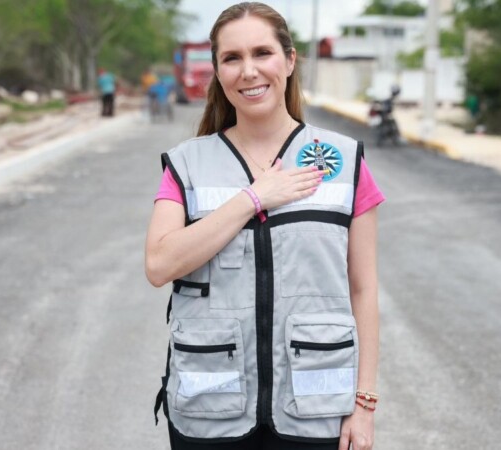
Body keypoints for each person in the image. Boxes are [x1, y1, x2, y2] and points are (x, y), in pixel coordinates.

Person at [145, 3, 383, 450]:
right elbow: (159, 264)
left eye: (263, 53)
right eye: (232, 58)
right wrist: (253, 198)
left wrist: (364, 404)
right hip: (209, 410)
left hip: (316, 412)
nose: (249, 71)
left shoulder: (344, 162)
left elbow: (363, 289)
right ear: (217, 71)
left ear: (290, 61)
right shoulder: (187, 164)